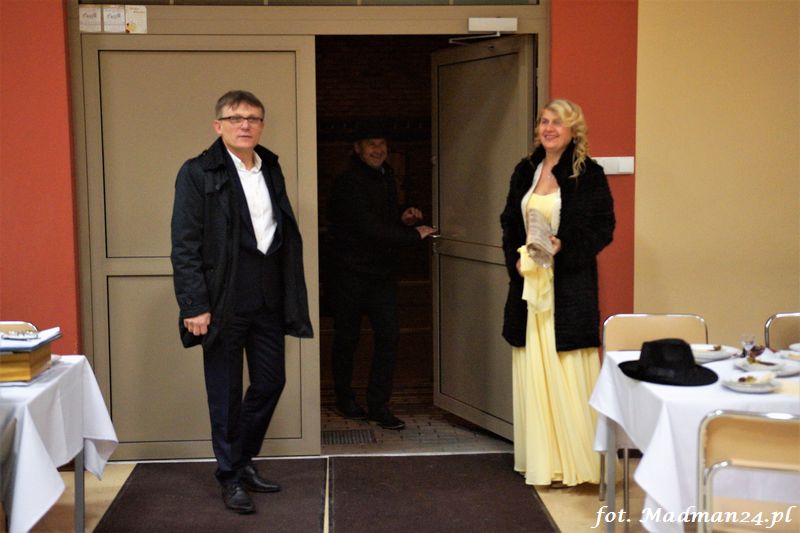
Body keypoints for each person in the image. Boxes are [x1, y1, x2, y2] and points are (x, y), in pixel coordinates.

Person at [171, 90, 312, 514]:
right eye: (235, 118)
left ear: (262, 126)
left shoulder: (270, 167)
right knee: (226, 392)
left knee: (270, 382)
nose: (244, 125)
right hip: (222, 302)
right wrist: (193, 304)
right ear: (219, 126)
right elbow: (185, 244)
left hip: (268, 298)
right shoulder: (198, 172)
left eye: (253, 118)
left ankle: (242, 458)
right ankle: (230, 475)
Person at [500, 99, 615, 487]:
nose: (548, 128)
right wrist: (515, 262)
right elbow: (508, 223)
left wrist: (564, 245)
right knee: (535, 373)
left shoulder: (589, 173)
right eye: (544, 121)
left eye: (557, 123)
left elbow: (603, 227)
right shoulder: (525, 170)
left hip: (568, 290)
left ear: (573, 131)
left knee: (566, 373)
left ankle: (575, 465)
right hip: (530, 289)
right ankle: (543, 462)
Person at [328, 124, 436, 430]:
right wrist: (413, 235)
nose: (378, 149)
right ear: (357, 149)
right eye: (371, 144)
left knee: (389, 336)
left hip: (381, 274)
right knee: (347, 338)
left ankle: (379, 405)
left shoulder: (386, 174)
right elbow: (367, 227)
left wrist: (403, 216)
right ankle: (344, 398)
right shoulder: (348, 181)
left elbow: (381, 219)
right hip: (349, 273)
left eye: (382, 144)